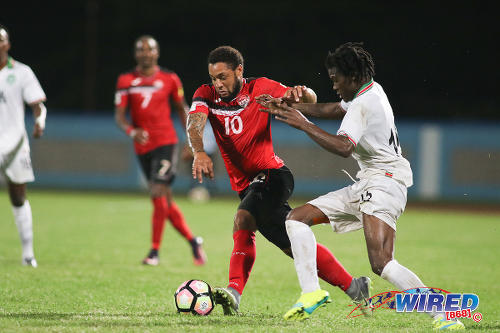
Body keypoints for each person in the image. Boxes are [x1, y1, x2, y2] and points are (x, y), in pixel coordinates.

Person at [257, 42, 465, 329]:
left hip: (384, 184)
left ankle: (442, 312)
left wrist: (302, 123)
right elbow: (333, 108)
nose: (334, 86)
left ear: (352, 76)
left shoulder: (363, 103)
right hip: (372, 181)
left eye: (335, 80)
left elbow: (344, 146)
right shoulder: (370, 90)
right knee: (296, 219)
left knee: (381, 262)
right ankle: (311, 292)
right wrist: (287, 106)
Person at [187, 45, 371, 316]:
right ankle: (355, 287)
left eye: (223, 77)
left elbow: (304, 98)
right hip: (247, 185)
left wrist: (303, 92)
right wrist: (199, 151)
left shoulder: (260, 87)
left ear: (239, 70)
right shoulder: (206, 94)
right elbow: (195, 122)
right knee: (290, 244)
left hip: (273, 176)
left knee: (244, 218)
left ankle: (234, 293)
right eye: (214, 78)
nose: (218, 84)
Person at [114, 35, 206, 266]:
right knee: (163, 199)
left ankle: (154, 252)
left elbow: (182, 108)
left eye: (150, 49)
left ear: (157, 53)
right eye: (140, 49)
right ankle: (194, 241)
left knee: (156, 192)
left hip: (166, 143)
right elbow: (120, 116)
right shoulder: (126, 80)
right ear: (135, 54)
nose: (145, 53)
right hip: (142, 146)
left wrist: (191, 141)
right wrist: (131, 132)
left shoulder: (169, 78)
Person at [0, 24, 46, 268]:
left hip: (14, 142)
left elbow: (38, 104)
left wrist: (39, 121)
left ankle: (28, 254)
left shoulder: (21, 72)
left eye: (1, 40)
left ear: (7, 44)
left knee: (18, 196)